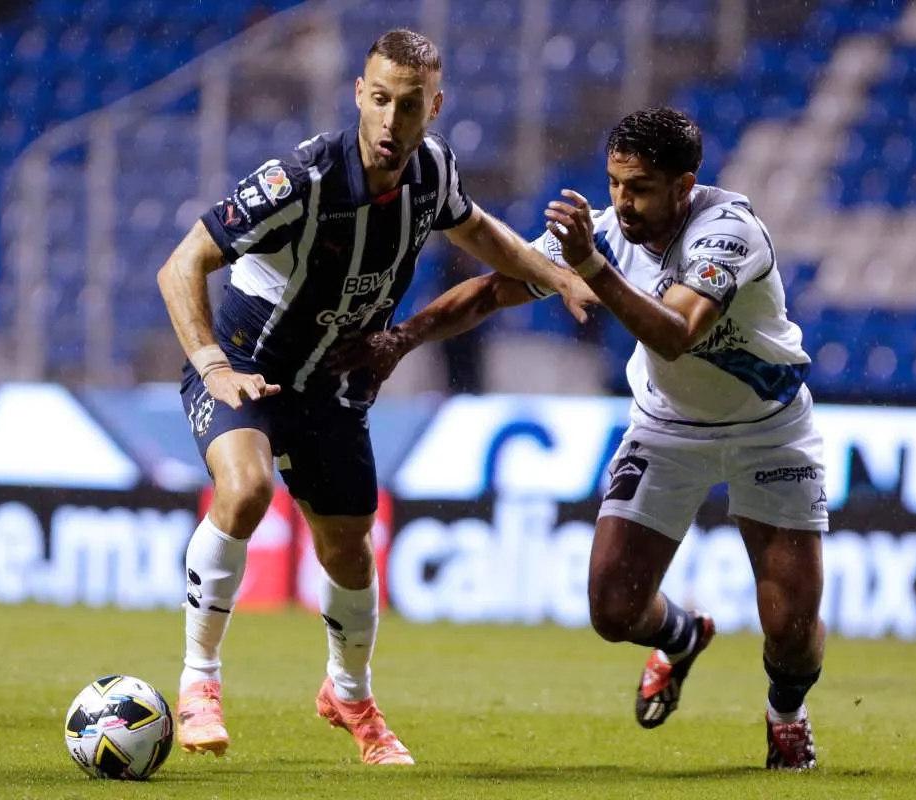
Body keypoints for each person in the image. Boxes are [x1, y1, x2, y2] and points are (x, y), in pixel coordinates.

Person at [330, 107, 827, 771]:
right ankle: (683, 636)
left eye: (640, 188)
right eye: (615, 183)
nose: (623, 201)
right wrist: (401, 339)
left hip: (770, 429)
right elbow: (494, 291)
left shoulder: (728, 233)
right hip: (668, 426)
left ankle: (786, 713)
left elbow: (676, 334)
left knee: (791, 629)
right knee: (613, 610)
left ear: (684, 186)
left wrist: (590, 266)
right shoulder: (608, 231)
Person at [155, 29, 590, 766]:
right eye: (380, 99)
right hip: (246, 367)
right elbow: (182, 263)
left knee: (351, 551)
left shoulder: (434, 171)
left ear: (434, 107)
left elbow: (478, 231)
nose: (391, 120)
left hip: (331, 385)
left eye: (409, 105)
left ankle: (349, 695)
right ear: (359, 93)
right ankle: (200, 680)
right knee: (247, 488)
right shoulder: (300, 180)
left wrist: (559, 277)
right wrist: (211, 364)